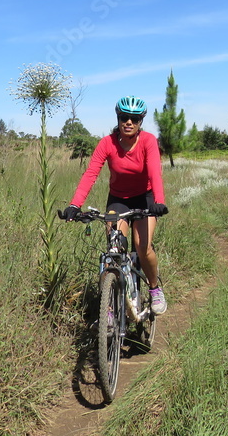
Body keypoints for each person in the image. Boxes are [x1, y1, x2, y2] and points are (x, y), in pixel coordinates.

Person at [59, 95, 169, 314]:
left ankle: (155, 289)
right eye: (124, 117)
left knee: (142, 246)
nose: (129, 122)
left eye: (134, 119)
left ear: (140, 122)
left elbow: (155, 172)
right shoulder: (107, 143)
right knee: (113, 250)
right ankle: (109, 306)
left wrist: (158, 202)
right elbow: (91, 174)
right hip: (119, 199)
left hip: (145, 198)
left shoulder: (147, 141)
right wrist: (74, 205)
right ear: (118, 118)